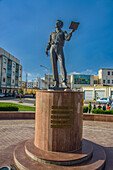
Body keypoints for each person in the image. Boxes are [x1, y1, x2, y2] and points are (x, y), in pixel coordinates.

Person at [46, 20, 75, 88]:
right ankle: (56, 82)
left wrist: (71, 32)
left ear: (61, 25)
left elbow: (67, 38)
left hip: (59, 47)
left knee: (62, 64)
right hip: (52, 48)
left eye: (58, 23)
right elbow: (49, 42)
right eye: (56, 22)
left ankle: (64, 82)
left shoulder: (63, 32)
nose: (56, 23)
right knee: (54, 66)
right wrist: (47, 49)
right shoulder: (52, 33)